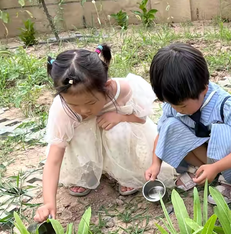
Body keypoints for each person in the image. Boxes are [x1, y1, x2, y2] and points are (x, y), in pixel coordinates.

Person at [34, 45, 175, 222]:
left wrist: (119, 117)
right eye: (74, 105)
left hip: (115, 135)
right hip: (85, 143)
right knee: (78, 134)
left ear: (106, 87)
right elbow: (54, 159)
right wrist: (49, 202)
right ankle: (86, 174)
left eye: (91, 102)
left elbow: (141, 119)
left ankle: (124, 173)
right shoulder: (62, 110)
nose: (84, 110)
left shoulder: (121, 90)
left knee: (117, 130)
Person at [146, 42, 231, 204]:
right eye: (172, 105)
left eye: (183, 106)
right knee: (170, 125)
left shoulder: (226, 105)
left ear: (204, 90)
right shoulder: (174, 106)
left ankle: (228, 181)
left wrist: (217, 167)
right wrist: (155, 164)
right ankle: (200, 171)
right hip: (207, 155)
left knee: (222, 132)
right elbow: (162, 134)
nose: (178, 110)